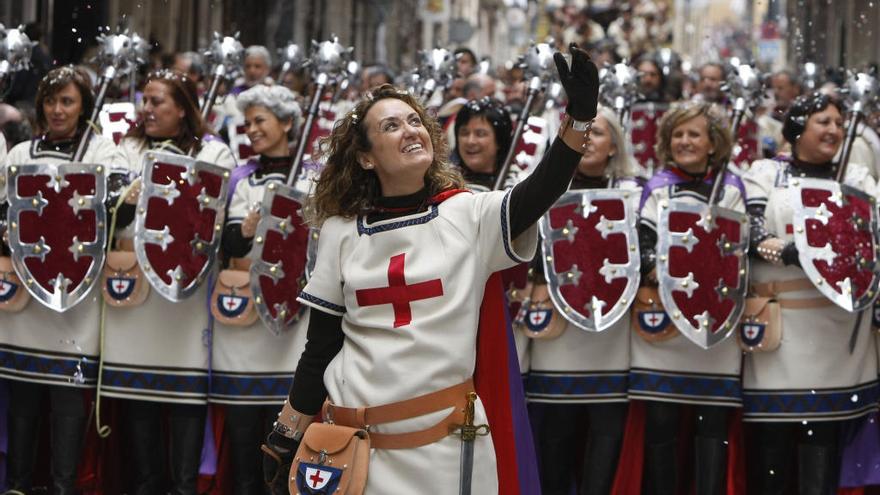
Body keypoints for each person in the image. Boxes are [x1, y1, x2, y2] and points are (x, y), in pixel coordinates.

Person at [261, 44, 599, 494]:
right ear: (365, 157)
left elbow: (541, 190)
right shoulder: (342, 231)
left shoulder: (468, 214)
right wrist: (286, 431)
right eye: (391, 125)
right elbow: (321, 347)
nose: (410, 130)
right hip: (355, 446)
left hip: (445, 446)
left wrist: (578, 118)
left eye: (415, 120)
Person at [101, 69, 235, 495]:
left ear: (183, 108)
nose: (147, 108)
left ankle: (183, 487)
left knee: (184, 395)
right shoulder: (129, 147)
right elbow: (113, 212)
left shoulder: (215, 153)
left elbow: (209, 218)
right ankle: (145, 485)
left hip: (186, 293)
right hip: (138, 290)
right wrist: (127, 199)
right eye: (145, 100)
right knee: (140, 394)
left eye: (158, 101)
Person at [742, 92, 879, 494]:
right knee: (773, 449)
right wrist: (788, 253)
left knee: (821, 447)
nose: (834, 130)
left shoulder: (856, 178)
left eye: (839, 123)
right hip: (779, 331)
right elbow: (749, 231)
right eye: (823, 121)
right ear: (798, 127)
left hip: (840, 334)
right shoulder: (765, 172)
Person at [0, 66, 128, 494]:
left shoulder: (105, 152)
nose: (57, 110)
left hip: (78, 299)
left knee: (68, 397)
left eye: (68, 101)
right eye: (51, 101)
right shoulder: (20, 155)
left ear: (83, 106)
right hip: (26, 298)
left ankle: (63, 487)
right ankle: (17, 485)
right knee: (23, 399)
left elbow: (119, 214)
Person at [630, 101, 743, 494]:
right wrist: (669, 272)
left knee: (711, 424)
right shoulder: (657, 187)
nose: (684, 141)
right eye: (677, 134)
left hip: (714, 321)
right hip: (664, 318)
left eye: (694, 134)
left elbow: (736, 252)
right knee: (661, 421)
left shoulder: (732, 189)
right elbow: (643, 247)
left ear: (714, 143)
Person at [526, 106, 639, 495]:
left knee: (607, 436)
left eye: (600, 133)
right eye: (582, 133)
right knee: (556, 435)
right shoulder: (540, 189)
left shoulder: (635, 196)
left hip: (613, 336)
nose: (589, 140)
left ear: (614, 145)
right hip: (558, 334)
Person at [213, 84, 310, 494]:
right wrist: (245, 230)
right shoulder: (241, 178)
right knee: (243, 437)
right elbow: (227, 244)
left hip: (296, 319)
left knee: (288, 436)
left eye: (261, 121)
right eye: (247, 122)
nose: (251, 129)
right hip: (246, 320)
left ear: (287, 123)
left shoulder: (314, 176)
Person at [451, 96, 513, 190]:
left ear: (499, 141)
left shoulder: (516, 187)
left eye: (480, 134)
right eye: (464, 133)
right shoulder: (442, 181)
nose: (470, 141)